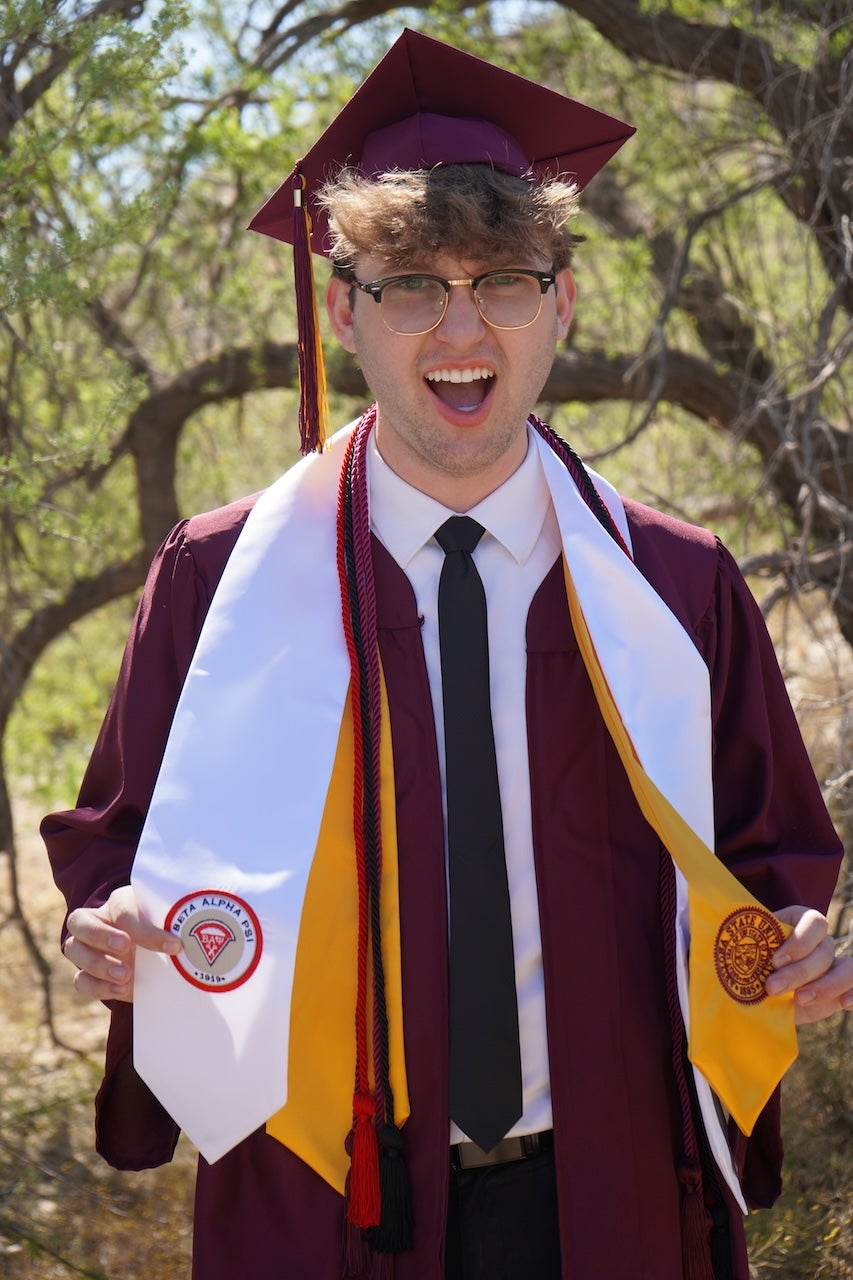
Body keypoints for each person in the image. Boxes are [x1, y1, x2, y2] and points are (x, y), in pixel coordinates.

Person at [42, 28, 849, 1280]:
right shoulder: (219, 583)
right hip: (323, 1190)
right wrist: (109, 924)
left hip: (617, 1189)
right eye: (412, 283)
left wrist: (792, 934)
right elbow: (119, 843)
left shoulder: (674, 585)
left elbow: (769, 853)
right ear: (345, 311)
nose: (459, 326)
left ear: (561, 300)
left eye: (504, 280)